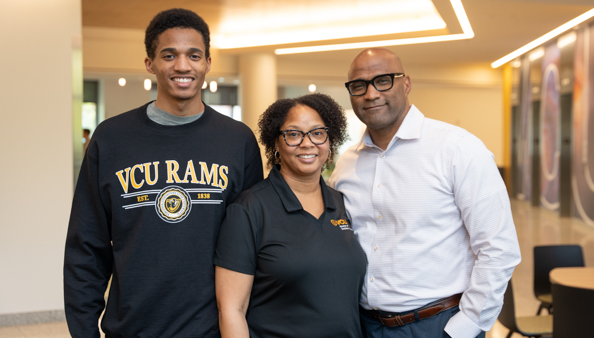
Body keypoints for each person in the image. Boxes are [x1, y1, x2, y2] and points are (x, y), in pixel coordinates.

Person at [64, 8, 263, 338]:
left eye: (194, 55)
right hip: (130, 328)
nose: (183, 66)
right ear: (150, 63)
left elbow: (254, 246)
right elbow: (86, 246)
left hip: (213, 330)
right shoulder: (111, 138)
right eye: (169, 55)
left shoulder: (237, 140)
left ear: (208, 63)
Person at [329, 48, 521, 338]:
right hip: (364, 325)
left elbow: (498, 248)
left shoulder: (457, 149)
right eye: (359, 85)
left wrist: (465, 327)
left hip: (438, 324)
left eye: (382, 80)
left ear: (405, 84)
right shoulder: (345, 165)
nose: (370, 94)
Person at [214, 93, 367, 338]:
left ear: (330, 139)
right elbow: (232, 309)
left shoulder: (339, 202)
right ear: (276, 142)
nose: (307, 143)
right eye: (294, 134)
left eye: (317, 133)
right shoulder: (250, 209)